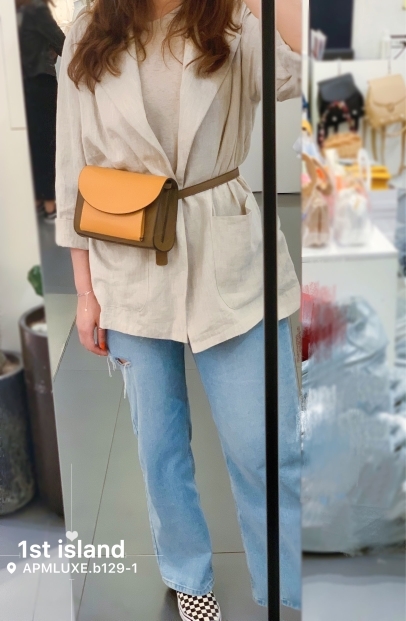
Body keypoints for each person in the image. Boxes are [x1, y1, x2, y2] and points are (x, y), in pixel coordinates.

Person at [55, 1, 302, 619]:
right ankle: (189, 574)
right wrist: (85, 292)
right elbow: (70, 171)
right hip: (126, 258)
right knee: (160, 447)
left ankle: (286, 581)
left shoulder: (234, 20)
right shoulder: (89, 31)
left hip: (228, 251)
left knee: (263, 443)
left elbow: (296, 75)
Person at [16, 0, 65, 222]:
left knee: (33, 143)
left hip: (22, 86)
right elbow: (64, 44)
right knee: (48, 142)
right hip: (41, 84)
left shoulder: (15, 13)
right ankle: (51, 204)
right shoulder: (37, 9)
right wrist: (51, 52)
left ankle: (37, 201)